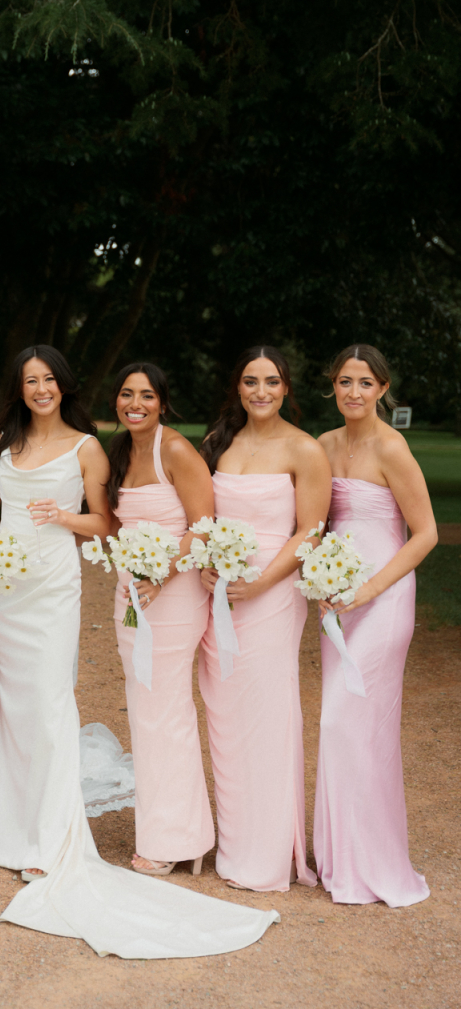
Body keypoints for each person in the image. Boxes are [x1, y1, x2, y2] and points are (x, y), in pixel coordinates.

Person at [0, 345, 280, 959]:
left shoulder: (92, 446)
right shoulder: (10, 440)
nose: (40, 389)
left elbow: (108, 523)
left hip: (65, 582)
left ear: (65, 385)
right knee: (15, 698)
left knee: (70, 700)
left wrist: (65, 520)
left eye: (49, 379)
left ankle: (58, 836)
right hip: (13, 585)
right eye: (30, 381)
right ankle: (9, 821)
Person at [199, 345, 331, 892]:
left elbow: (310, 531)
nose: (260, 391)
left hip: (273, 595)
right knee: (225, 713)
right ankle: (234, 841)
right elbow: (199, 515)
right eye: (250, 381)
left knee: (267, 713)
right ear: (238, 387)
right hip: (222, 595)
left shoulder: (304, 449)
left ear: (285, 388)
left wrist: (259, 583)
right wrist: (208, 565)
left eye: (271, 382)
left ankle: (271, 851)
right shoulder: (217, 445)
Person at [314, 344, 435, 906]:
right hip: (335, 600)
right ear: (332, 387)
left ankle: (374, 862)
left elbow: (426, 533)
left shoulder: (393, 447)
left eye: (364, 382)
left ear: (383, 388)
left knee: (349, 719)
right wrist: (320, 578)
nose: (354, 392)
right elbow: (315, 523)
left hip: (382, 599)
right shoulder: (324, 445)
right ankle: (341, 857)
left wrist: (368, 588)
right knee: (341, 725)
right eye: (344, 382)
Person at [107, 362, 215, 876]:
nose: (136, 404)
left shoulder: (174, 449)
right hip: (132, 597)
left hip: (172, 597)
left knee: (166, 708)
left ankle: (173, 838)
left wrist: (161, 572)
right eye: (127, 394)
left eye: (146, 396)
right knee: (145, 707)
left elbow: (203, 527)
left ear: (163, 403)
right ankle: (173, 830)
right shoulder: (119, 450)